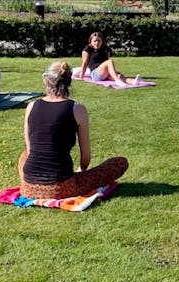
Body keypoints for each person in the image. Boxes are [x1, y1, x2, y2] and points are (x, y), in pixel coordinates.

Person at [19, 61, 129, 199]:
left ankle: (40, 185)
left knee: (24, 156)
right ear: (69, 81)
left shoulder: (31, 106)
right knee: (120, 163)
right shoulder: (77, 109)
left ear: (46, 80)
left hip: (29, 187)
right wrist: (82, 171)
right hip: (63, 187)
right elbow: (86, 156)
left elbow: (30, 151)